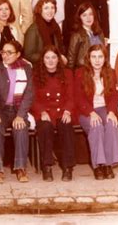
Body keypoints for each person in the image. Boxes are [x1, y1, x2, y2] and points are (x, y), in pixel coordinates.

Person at [0, 40, 33, 183]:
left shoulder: (26, 68)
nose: (5, 56)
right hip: (2, 110)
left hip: (18, 109)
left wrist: (20, 115)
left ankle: (20, 168)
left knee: (20, 128)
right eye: (3, 52)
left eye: (10, 52)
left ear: (18, 54)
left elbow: (29, 94)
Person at [75, 44, 118, 180]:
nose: (97, 60)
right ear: (88, 58)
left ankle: (108, 165)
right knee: (96, 126)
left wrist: (112, 112)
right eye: (94, 57)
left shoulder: (110, 73)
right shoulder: (80, 73)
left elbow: (113, 96)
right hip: (86, 111)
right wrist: (90, 112)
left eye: (100, 56)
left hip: (104, 108)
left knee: (111, 125)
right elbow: (78, 97)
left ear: (105, 58)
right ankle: (98, 166)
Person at [31, 45, 76, 182]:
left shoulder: (67, 73)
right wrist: (41, 111)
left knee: (66, 126)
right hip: (45, 111)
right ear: (43, 60)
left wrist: (67, 111)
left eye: (53, 57)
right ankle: (47, 166)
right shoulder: (36, 75)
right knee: (45, 127)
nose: (50, 61)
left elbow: (71, 96)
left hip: (62, 110)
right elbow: (32, 98)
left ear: (58, 59)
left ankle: (68, 167)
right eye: (47, 57)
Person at [24, 0, 67, 66]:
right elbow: (28, 55)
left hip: (55, 65)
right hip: (40, 67)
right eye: (46, 8)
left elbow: (60, 47)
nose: (50, 11)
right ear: (40, 10)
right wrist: (48, 58)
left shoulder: (55, 26)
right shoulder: (33, 29)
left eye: (52, 8)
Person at [66, 2, 105, 69]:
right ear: (79, 18)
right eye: (84, 15)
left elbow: (104, 54)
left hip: (99, 70)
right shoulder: (76, 35)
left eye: (90, 14)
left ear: (94, 16)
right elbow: (71, 59)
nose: (88, 18)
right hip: (84, 70)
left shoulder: (99, 33)